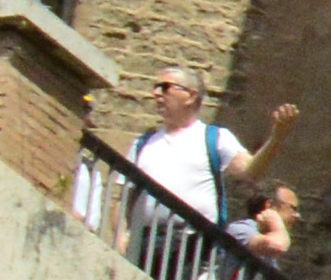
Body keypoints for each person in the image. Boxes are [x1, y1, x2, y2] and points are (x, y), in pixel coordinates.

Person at [126, 68, 297, 226]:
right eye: (155, 87)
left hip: (193, 245)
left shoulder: (215, 138)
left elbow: (251, 171)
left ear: (191, 96)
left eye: (165, 87)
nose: (156, 93)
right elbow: (124, 199)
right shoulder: (142, 144)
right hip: (143, 243)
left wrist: (277, 137)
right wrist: (120, 237)